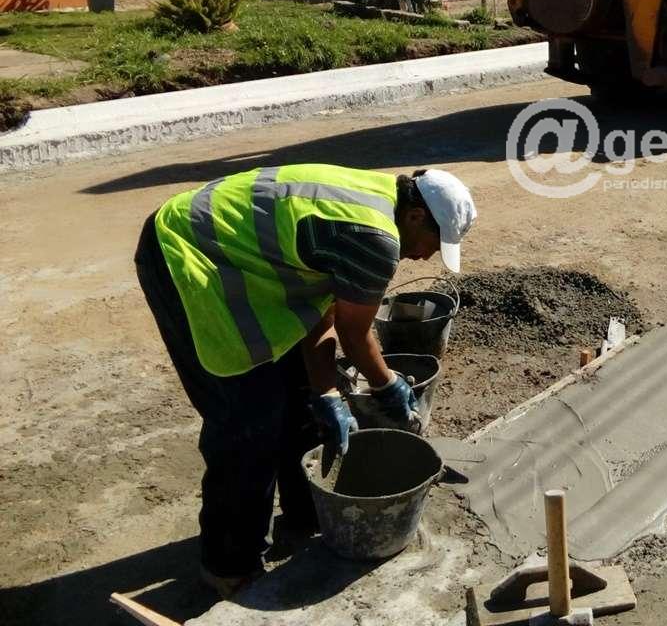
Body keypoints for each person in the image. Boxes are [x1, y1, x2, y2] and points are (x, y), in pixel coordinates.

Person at [133, 164, 477, 596]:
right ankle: (229, 566)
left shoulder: (377, 201)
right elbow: (353, 336)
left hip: (244, 260)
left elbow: (320, 305)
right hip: (189, 253)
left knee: (297, 398)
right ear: (414, 217)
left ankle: (309, 510)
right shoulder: (375, 239)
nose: (427, 256)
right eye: (434, 242)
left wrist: (325, 392)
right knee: (249, 422)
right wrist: (387, 383)